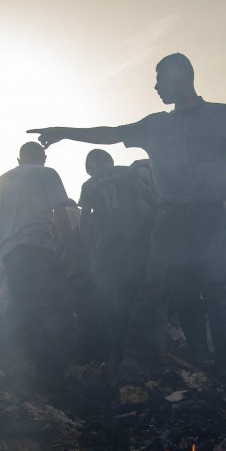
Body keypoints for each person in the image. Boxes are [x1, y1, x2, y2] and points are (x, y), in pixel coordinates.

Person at [29, 53, 226, 374]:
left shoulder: (220, 115)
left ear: (180, 76)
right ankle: (195, 359)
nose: (155, 86)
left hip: (210, 217)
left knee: (218, 289)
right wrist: (65, 131)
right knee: (175, 289)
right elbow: (110, 133)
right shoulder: (156, 125)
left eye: (159, 77)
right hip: (171, 218)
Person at [0, 142, 75, 378]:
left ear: (19, 159)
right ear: (43, 158)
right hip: (39, 247)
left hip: (10, 253)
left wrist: (11, 239)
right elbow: (61, 215)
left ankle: (23, 371)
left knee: (22, 308)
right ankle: (53, 371)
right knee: (54, 308)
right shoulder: (46, 173)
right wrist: (71, 251)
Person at [78, 149, 155, 362]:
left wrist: (92, 259)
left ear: (91, 166)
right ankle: (144, 357)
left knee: (112, 304)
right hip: (134, 245)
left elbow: (83, 223)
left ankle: (115, 358)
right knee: (138, 299)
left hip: (106, 251)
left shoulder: (88, 185)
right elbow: (148, 196)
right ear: (110, 161)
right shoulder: (127, 172)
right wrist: (151, 227)